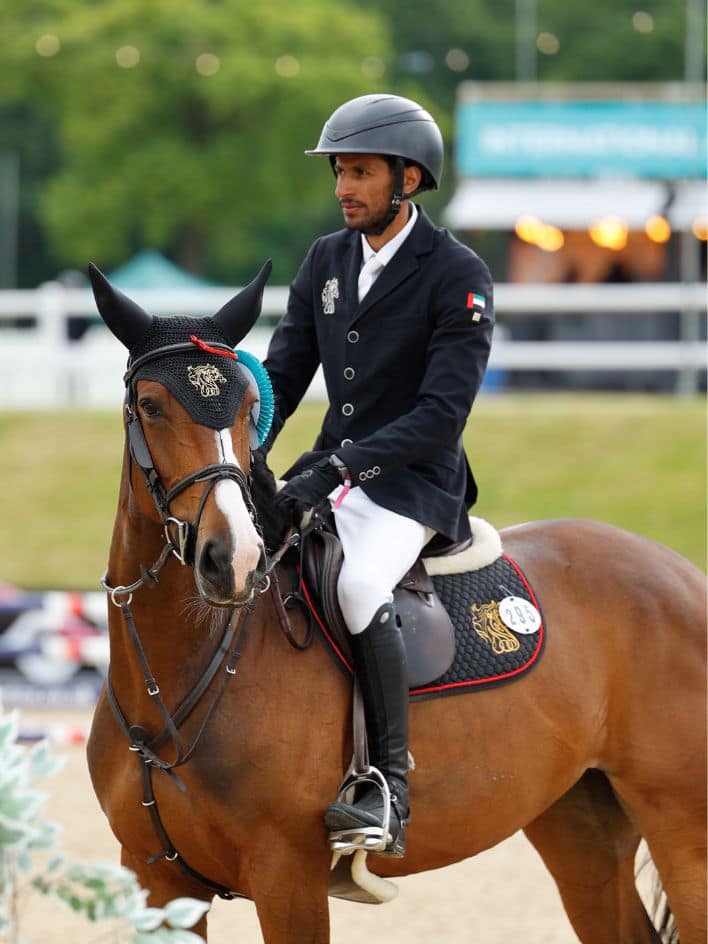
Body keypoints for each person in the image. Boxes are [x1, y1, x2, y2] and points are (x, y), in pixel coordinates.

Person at [261, 93, 494, 856]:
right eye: (339, 173)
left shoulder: (457, 273)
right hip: (331, 470)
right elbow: (284, 373)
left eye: (359, 172)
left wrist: (335, 468)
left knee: (358, 586)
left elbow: (440, 416)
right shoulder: (326, 260)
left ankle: (387, 786)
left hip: (413, 484)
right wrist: (244, 452)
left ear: (408, 179)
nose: (343, 188)